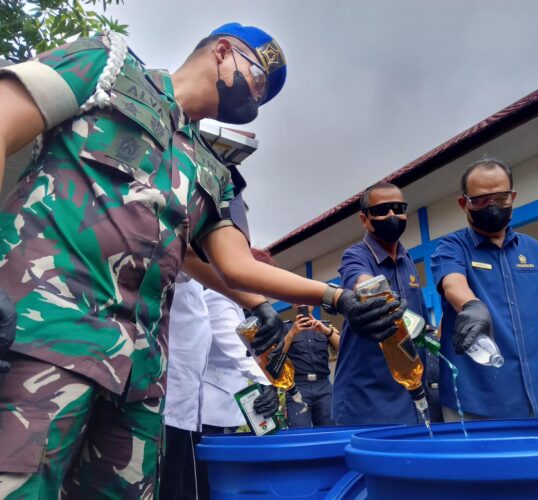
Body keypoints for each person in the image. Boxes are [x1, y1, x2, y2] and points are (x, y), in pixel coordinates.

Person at [0, 24, 404, 497]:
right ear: (223, 51)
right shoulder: (106, 69)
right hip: (43, 334)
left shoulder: (210, 171)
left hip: (139, 376)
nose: (258, 99)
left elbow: (236, 266)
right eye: (258, 81)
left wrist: (335, 296)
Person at [431, 157, 538, 421]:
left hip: (535, 396)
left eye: (501, 197)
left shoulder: (532, 248)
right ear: (464, 203)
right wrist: (471, 306)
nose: (492, 206)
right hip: (476, 400)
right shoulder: (451, 247)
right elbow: (453, 284)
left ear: (512, 196)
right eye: (481, 200)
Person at [161, 272, 276, 500]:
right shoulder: (218, 299)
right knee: (193, 480)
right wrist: (264, 380)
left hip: (210, 404)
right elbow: (236, 348)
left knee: (202, 478)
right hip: (199, 407)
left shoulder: (229, 302)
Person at [332, 182, 431, 425]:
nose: (391, 215)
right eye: (382, 210)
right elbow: (361, 280)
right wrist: (376, 292)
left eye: (398, 208)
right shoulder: (356, 255)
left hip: (409, 390)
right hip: (367, 394)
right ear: (365, 219)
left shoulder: (407, 259)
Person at [283, 306, 339, 427]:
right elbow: (276, 355)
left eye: (306, 300)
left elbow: (345, 348)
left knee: (329, 431)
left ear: (312, 305)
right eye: (298, 299)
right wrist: (292, 333)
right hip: (297, 387)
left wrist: (326, 331)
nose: (303, 304)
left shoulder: (326, 326)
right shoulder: (286, 328)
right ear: (293, 305)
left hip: (323, 385)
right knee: (299, 433)